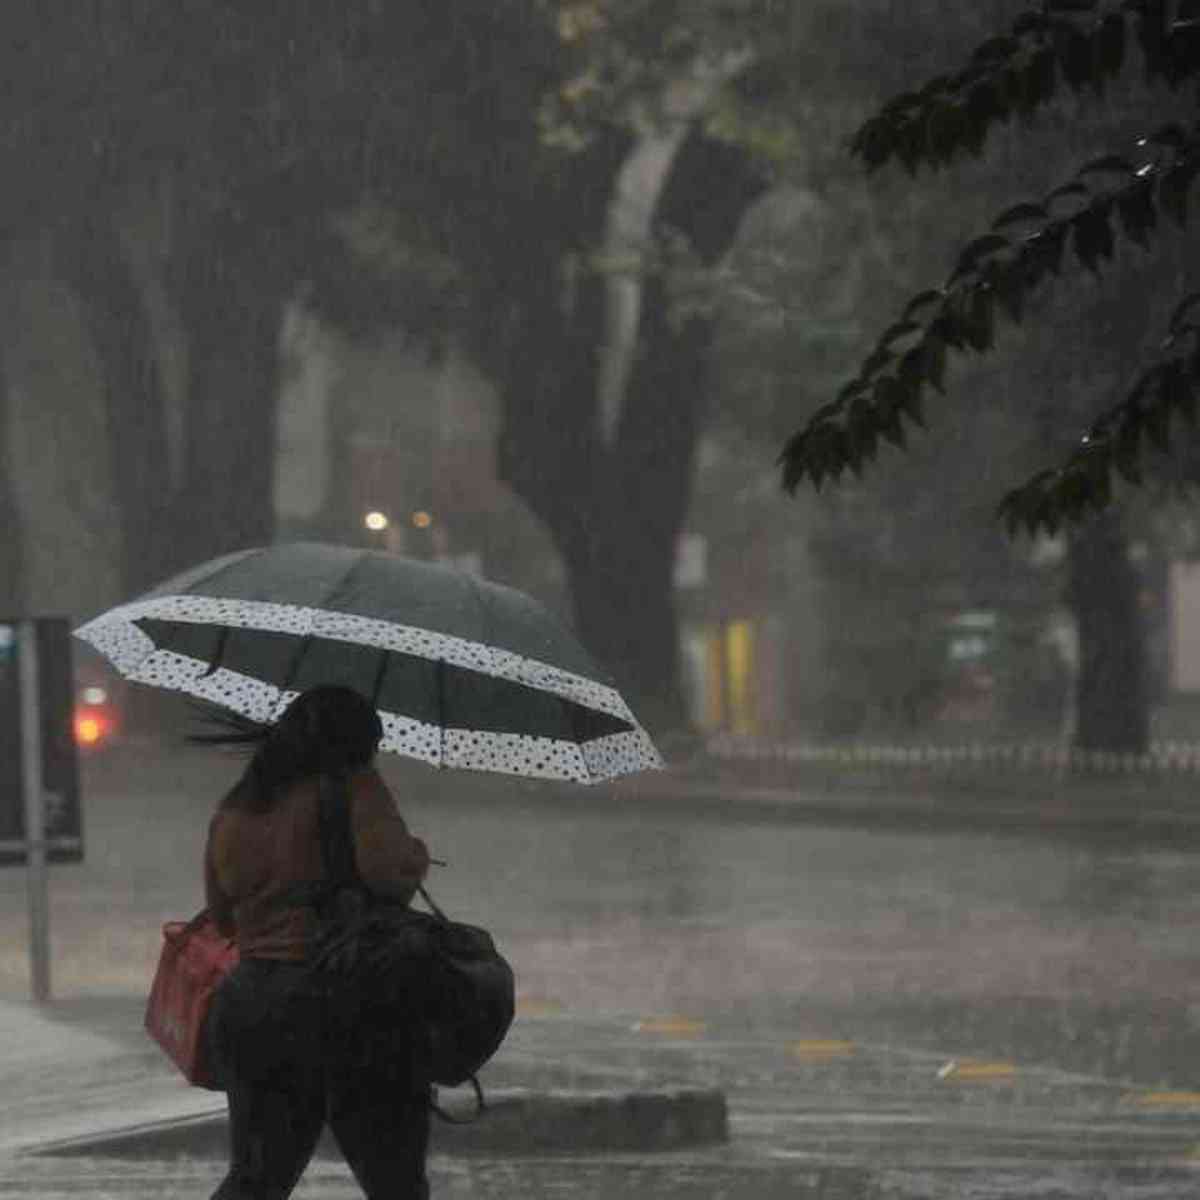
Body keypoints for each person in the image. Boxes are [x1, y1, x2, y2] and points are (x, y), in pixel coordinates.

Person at [201, 685, 433, 1200]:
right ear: (353, 745)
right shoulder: (354, 786)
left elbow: (222, 917)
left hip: (251, 1003)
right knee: (394, 1180)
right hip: (345, 1002)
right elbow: (388, 875)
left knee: (256, 1179)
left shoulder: (236, 807)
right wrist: (416, 854)